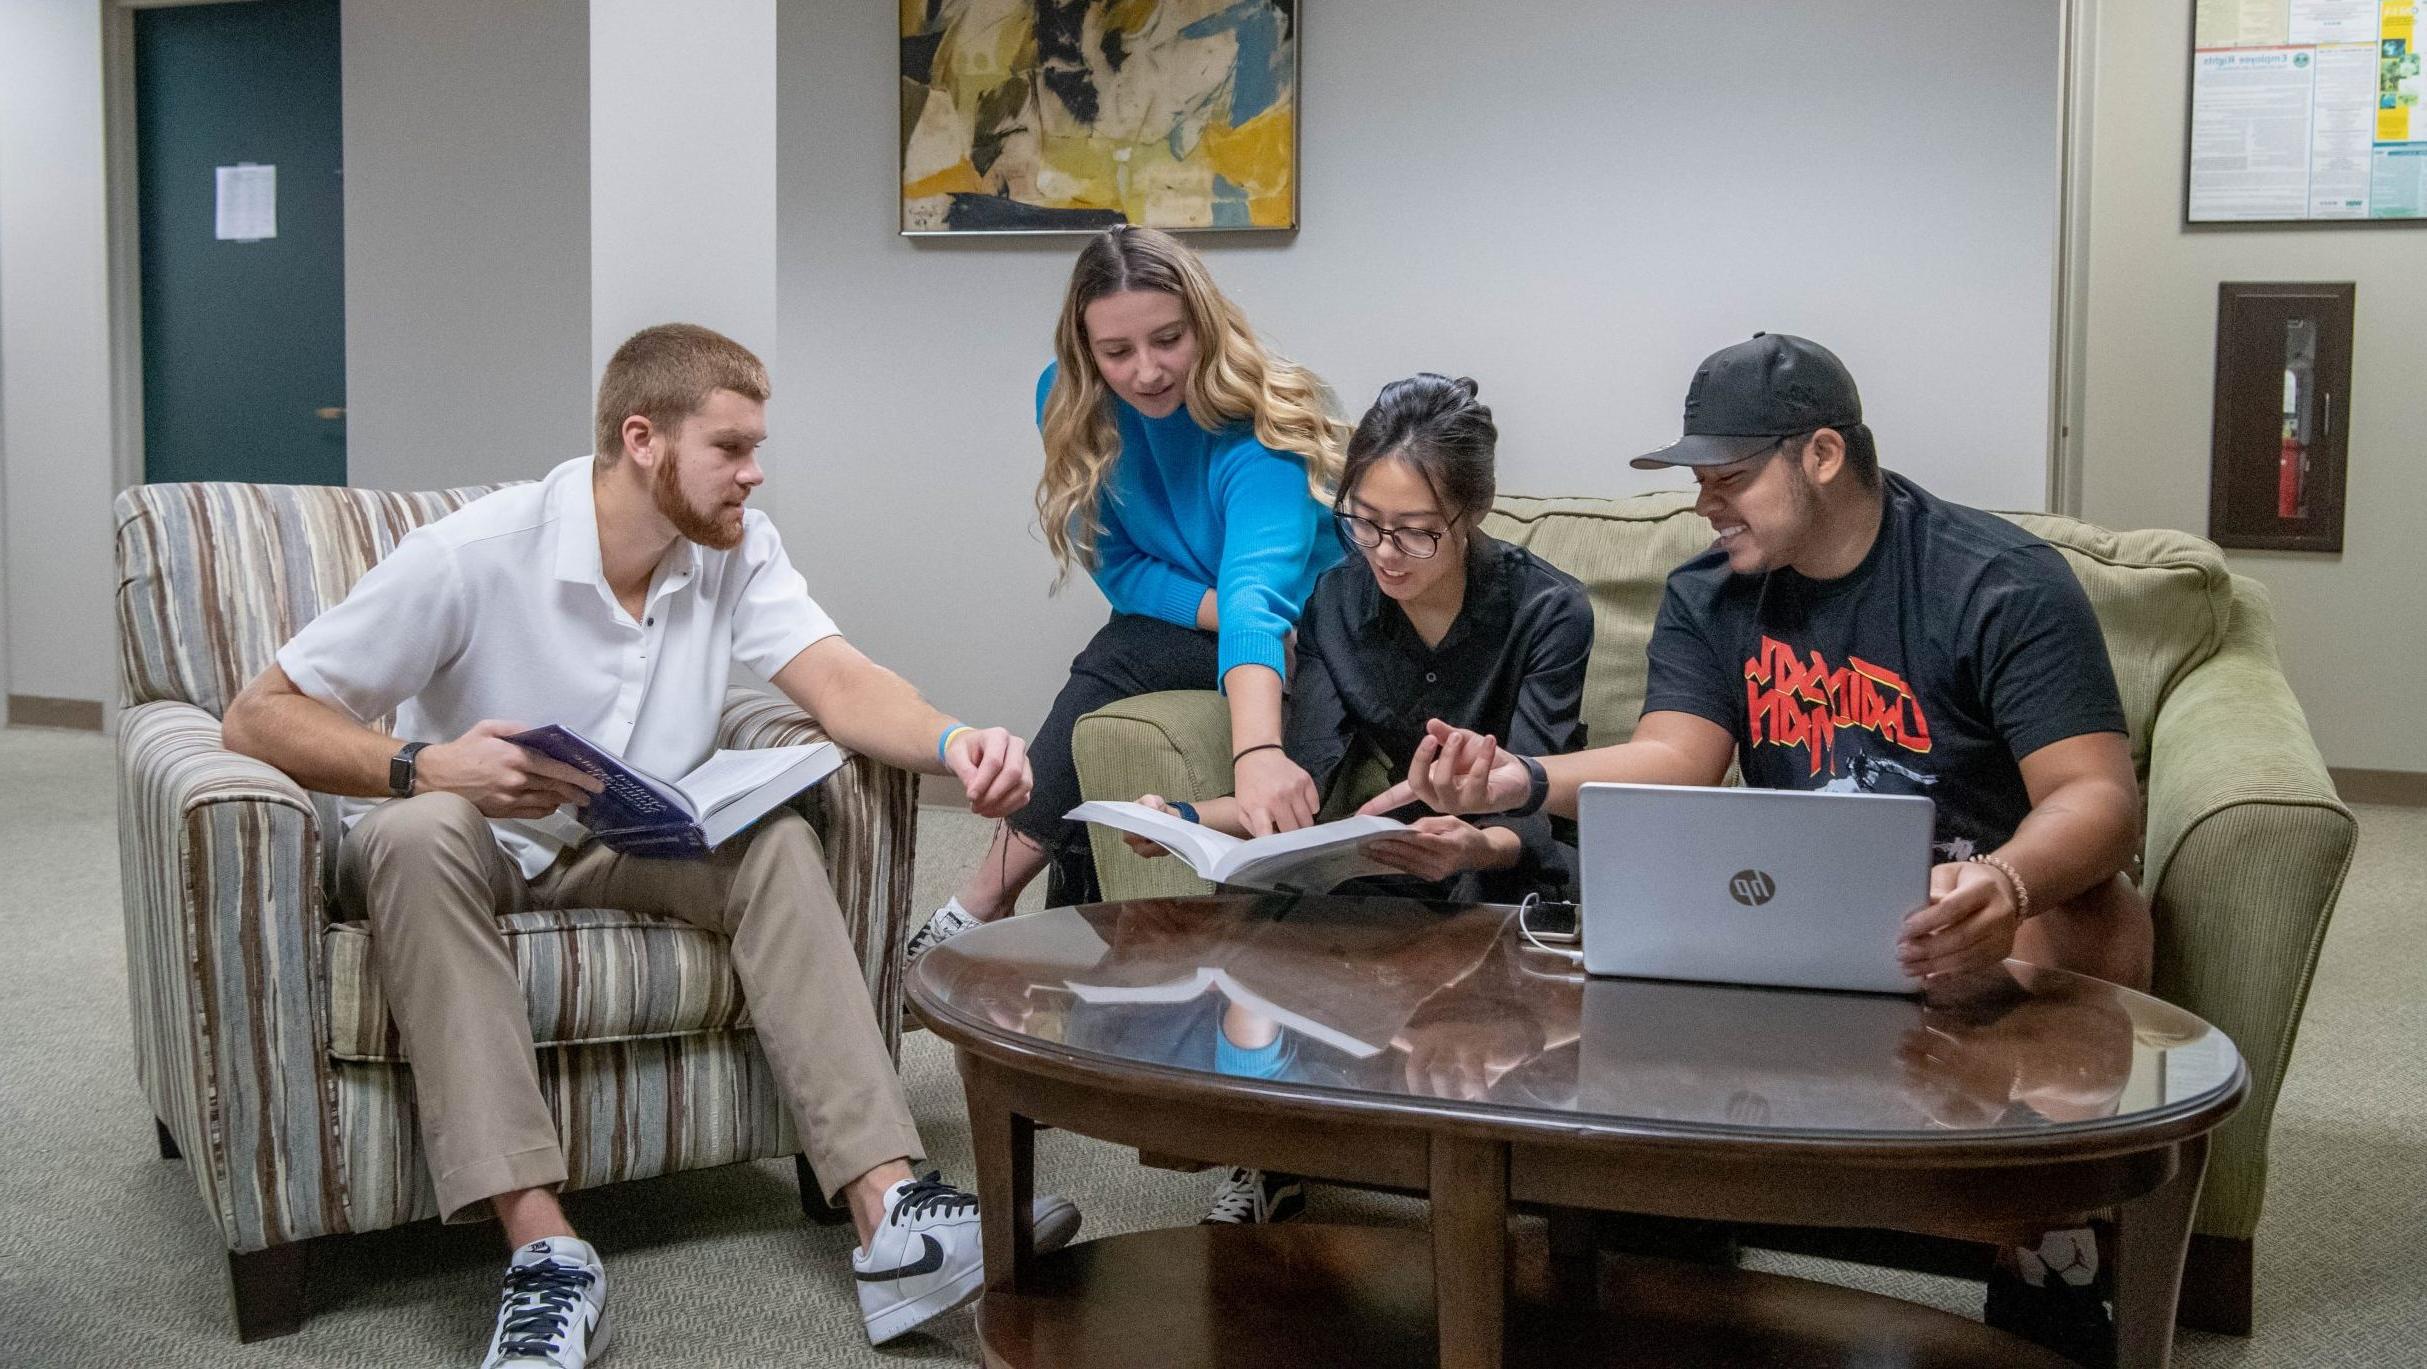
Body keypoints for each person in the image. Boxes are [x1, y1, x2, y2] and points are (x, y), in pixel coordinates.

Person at [219, 324, 1078, 1365]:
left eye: (758, 448)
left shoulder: (735, 550)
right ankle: (546, 1256)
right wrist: (426, 766)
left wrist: (956, 740)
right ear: (643, 440)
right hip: (461, 842)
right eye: (732, 448)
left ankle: (890, 1215)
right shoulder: (475, 554)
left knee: (775, 842)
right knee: (420, 832)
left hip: (624, 836)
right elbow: (258, 714)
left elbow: (839, 681)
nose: (754, 475)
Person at [1365, 333, 2152, 1367]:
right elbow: (1674, 756)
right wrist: (1518, 780)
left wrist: (2004, 880)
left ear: (1821, 455)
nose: (1704, 503)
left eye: (1728, 477)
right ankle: (1671, 1237)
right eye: (1699, 480)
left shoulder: (1994, 582)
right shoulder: (1712, 594)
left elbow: (2099, 795)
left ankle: (2045, 1246)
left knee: (2104, 912)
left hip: (1979, 915)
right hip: (1808, 918)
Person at [1122, 373, 1593, 1223]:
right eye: (1365, 523)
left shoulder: (1547, 609)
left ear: (1472, 513)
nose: (1384, 554)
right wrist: (1185, 820)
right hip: (1390, 847)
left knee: (1486, 907)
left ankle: (1505, 1163)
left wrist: (1468, 840)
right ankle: (1269, 1150)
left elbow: (1539, 804)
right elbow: (1301, 791)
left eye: (1415, 533)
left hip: (1510, 860)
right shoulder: (1339, 598)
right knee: (1271, 900)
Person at [908, 225, 1348, 958]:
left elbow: (1255, 599)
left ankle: (982, 899)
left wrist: (1257, 755)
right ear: (1086, 353)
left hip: (1306, 627)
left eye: (1168, 339)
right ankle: (1023, 927)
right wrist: (1204, 611)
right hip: (1184, 617)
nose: (1145, 371)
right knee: (1127, 645)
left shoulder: (1264, 427)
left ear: (1203, 325)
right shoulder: (1067, 397)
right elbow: (1120, 566)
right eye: (1116, 352)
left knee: (1119, 654)